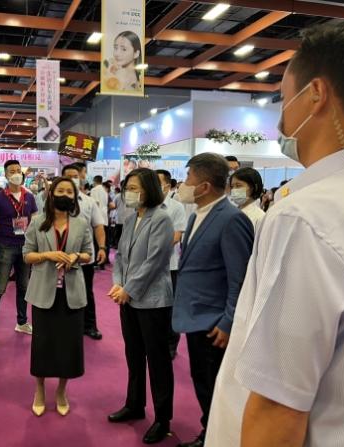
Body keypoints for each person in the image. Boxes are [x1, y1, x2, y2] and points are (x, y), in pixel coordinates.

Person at [207, 21, 344, 447]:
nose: (283, 119)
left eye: (285, 99)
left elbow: (278, 405)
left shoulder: (309, 216)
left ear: (316, 94)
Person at [174, 153, 254, 447]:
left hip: (214, 322)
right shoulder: (196, 215)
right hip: (194, 314)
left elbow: (240, 278)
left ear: (205, 186)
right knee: (201, 379)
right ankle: (209, 432)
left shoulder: (231, 219)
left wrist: (229, 321)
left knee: (213, 384)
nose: (184, 184)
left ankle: (216, 437)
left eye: (188, 178)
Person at [108, 168, 175, 445]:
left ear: (149, 189)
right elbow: (120, 256)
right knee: (134, 355)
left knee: (158, 361)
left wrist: (129, 289)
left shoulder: (161, 218)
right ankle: (134, 404)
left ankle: (162, 419)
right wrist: (118, 284)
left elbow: (155, 261)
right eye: (128, 188)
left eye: (135, 188)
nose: (129, 193)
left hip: (153, 301)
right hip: (128, 298)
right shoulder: (130, 217)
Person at [22, 177, 93, 417]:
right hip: (44, 293)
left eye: (69, 192)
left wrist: (76, 257)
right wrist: (47, 255)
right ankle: (39, 389)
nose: (65, 194)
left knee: (69, 346)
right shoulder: (37, 222)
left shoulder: (81, 223)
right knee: (42, 345)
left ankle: (62, 390)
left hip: (72, 294)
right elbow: (27, 255)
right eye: (60, 190)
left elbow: (89, 254)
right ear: (51, 194)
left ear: (75, 197)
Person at [0, 159, 38, 347]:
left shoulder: (29, 196)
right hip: (5, 246)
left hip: (25, 247)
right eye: (11, 171)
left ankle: (21, 322)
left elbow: (35, 221)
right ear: (5, 175)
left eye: (18, 170)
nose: (16, 174)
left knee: (23, 287)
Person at [62, 164, 107, 340]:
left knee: (86, 290)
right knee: (61, 290)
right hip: (61, 255)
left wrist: (102, 247)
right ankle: (65, 324)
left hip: (84, 256)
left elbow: (98, 226)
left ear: (81, 177)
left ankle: (89, 326)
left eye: (75, 175)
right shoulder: (53, 201)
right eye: (69, 176)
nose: (73, 179)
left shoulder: (89, 202)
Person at [156, 169, 187, 360]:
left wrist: (153, 251)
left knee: (170, 308)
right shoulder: (146, 206)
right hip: (147, 267)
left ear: (167, 185)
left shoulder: (176, 207)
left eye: (157, 183)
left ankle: (170, 344)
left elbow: (177, 235)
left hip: (169, 266)